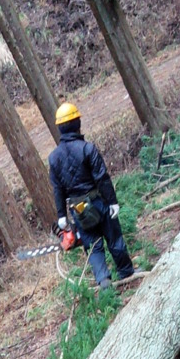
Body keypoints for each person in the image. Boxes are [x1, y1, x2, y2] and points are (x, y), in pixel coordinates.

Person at [48, 101, 144, 290]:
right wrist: (112, 202)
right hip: (98, 201)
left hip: (78, 208)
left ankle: (103, 279)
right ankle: (126, 271)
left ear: (60, 127)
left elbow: (57, 189)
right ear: (77, 124)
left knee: (92, 245)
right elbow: (102, 178)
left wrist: (62, 216)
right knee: (113, 237)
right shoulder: (87, 148)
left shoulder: (53, 158)